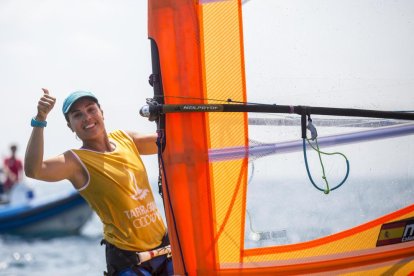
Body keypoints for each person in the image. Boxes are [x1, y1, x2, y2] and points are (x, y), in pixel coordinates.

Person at [25, 88, 173, 276]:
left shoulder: (125, 139)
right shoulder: (75, 162)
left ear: (101, 112)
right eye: (77, 115)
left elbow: (170, 140)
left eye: (91, 109)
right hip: (129, 263)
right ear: (70, 126)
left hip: (165, 250)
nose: (86, 117)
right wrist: (40, 119)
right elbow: (34, 170)